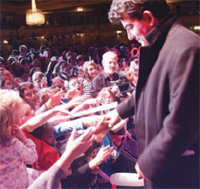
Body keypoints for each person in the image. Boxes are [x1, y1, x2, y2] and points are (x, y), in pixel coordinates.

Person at [104, 0, 199, 188]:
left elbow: (182, 123)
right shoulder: (163, 44)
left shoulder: (187, 48)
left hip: (177, 169)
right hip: (165, 165)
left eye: (130, 27)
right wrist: (118, 111)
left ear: (148, 17)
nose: (129, 36)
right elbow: (150, 90)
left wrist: (149, 161)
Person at [0, 104, 40, 188]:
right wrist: (23, 138)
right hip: (24, 185)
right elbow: (32, 157)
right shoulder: (13, 144)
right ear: (5, 128)